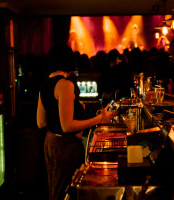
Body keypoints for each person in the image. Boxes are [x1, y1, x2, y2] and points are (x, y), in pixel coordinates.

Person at [36, 44, 117, 200]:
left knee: (55, 190)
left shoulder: (46, 83)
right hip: (65, 146)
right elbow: (67, 126)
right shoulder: (65, 84)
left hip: (50, 142)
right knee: (65, 192)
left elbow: (41, 122)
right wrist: (100, 119)